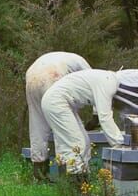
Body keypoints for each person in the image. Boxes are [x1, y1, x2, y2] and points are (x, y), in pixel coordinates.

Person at [41, 68, 138, 181]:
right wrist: (118, 143)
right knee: (77, 144)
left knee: (83, 143)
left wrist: (94, 121)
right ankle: (75, 187)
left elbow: (99, 105)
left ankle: (72, 185)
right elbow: (105, 117)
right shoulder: (108, 83)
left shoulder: (107, 79)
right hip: (56, 102)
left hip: (59, 101)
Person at [26, 52, 92, 181]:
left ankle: (39, 174)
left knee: (37, 124)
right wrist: (95, 116)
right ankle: (65, 174)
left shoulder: (68, 58)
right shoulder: (85, 66)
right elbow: (92, 88)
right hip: (53, 75)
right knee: (63, 130)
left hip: (31, 74)